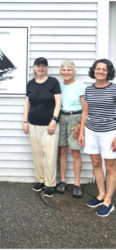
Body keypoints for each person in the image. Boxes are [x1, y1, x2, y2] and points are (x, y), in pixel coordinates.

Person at [79, 58, 116, 217]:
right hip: (91, 131)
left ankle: (108, 200)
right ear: (94, 71)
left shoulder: (114, 89)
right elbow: (86, 111)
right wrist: (81, 131)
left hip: (109, 132)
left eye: (104, 69)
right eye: (98, 69)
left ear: (108, 72)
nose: (100, 71)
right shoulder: (89, 90)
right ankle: (101, 195)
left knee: (110, 167)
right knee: (95, 162)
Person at [23, 57, 61, 198]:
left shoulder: (53, 82)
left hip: (49, 125)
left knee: (50, 155)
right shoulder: (30, 84)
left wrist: (54, 121)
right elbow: (27, 104)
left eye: (44, 66)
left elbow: (58, 103)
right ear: (34, 68)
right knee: (37, 154)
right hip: (33, 124)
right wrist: (25, 121)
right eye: (38, 65)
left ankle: (50, 184)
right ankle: (40, 180)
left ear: (46, 68)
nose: (41, 68)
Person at [56, 60, 86, 198]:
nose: (66, 72)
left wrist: (81, 124)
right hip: (62, 117)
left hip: (75, 118)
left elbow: (86, 107)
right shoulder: (59, 86)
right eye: (64, 69)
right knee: (62, 150)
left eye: (69, 70)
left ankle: (77, 184)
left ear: (73, 71)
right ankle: (62, 181)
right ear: (61, 71)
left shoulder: (80, 85)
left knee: (75, 152)